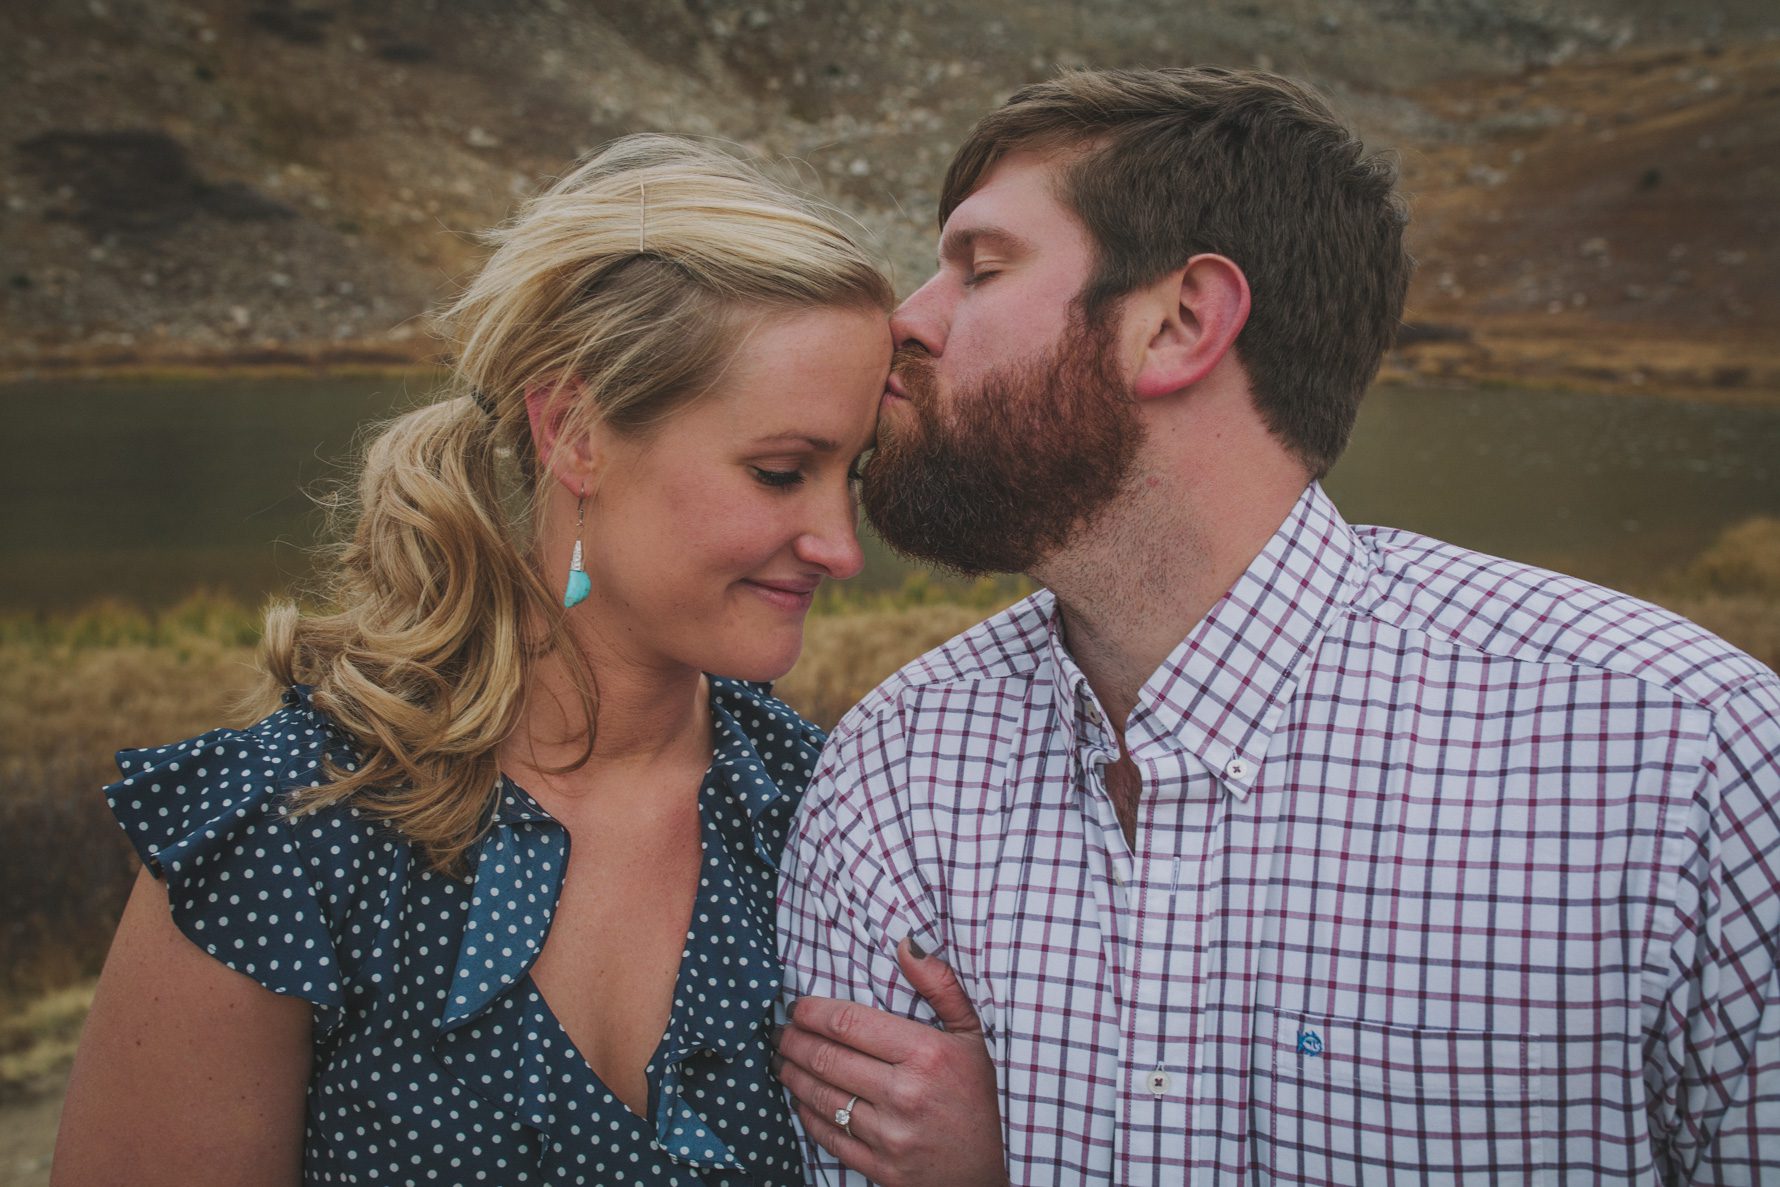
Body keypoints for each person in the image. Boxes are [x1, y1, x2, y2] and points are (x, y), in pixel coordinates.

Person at [774, 67, 1780, 1184]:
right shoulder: (894, 767)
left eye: (981, 266)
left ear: (1181, 322)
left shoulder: (1681, 755)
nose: (904, 318)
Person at [53, 134, 986, 1186]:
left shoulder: (830, 814)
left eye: (849, 474)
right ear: (574, 430)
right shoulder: (292, 827)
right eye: (780, 471)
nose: (841, 545)